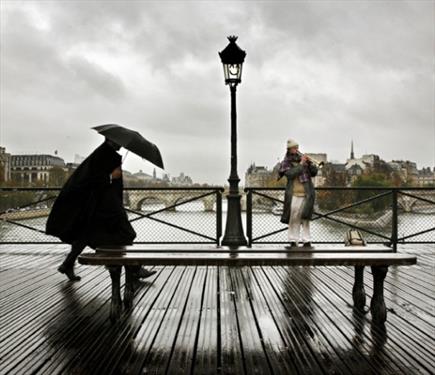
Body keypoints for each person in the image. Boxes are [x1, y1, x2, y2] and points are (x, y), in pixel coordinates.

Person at [46, 138, 156, 281]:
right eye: (119, 143)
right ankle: (134, 269)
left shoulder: (105, 153)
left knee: (86, 235)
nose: (121, 145)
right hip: (105, 206)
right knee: (125, 234)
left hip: (101, 204)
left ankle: (68, 264)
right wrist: (111, 176)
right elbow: (92, 179)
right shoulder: (103, 154)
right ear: (111, 140)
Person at [278, 138, 318, 248]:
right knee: (293, 218)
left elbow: (314, 173)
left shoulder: (304, 161)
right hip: (294, 194)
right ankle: (293, 239)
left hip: (307, 193)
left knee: (306, 218)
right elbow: (290, 174)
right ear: (289, 149)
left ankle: (306, 240)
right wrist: (301, 164)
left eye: (297, 147)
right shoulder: (286, 162)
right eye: (294, 148)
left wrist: (310, 164)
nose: (297, 149)